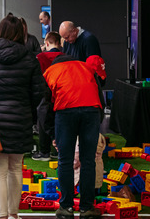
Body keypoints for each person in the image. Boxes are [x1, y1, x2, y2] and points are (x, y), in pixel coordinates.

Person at [0, 14, 45, 219]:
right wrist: (27, 110)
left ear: (1, 31)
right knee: (16, 169)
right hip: (21, 120)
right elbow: (40, 92)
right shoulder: (30, 58)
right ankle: (14, 214)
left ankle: (1, 215)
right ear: (21, 33)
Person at [40, 55, 104, 219]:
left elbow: (44, 107)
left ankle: (66, 208)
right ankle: (87, 208)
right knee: (88, 160)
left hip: (65, 110)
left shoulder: (50, 71)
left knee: (65, 160)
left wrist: (53, 134)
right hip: (91, 111)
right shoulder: (86, 67)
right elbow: (100, 98)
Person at [33, 31, 64, 162]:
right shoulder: (65, 57)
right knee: (60, 121)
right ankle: (59, 150)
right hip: (61, 94)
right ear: (59, 43)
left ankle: (44, 151)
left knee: (43, 121)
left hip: (44, 92)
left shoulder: (40, 57)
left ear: (46, 43)